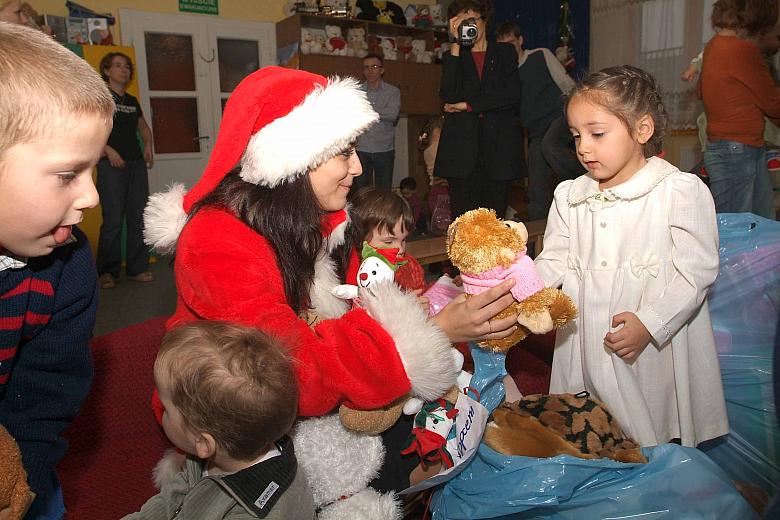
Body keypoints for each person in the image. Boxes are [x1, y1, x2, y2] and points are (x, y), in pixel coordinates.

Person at [143, 66, 519, 492]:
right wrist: (429, 332)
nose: (357, 168)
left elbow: (336, 316)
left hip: (290, 397)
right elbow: (290, 374)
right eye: (344, 153)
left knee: (439, 420)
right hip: (230, 415)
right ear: (296, 157)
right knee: (404, 456)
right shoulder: (219, 240)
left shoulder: (307, 222)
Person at [535, 65, 728, 448]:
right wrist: (520, 290)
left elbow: (696, 272)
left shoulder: (677, 192)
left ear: (642, 130)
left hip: (649, 345)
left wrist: (651, 323)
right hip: (586, 338)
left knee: (651, 429)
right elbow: (554, 259)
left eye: (597, 133)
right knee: (591, 432)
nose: (583, 147)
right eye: (576, 136)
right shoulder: (571, 196)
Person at [0, 22, 113, 519]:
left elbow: (47, 389)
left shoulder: (67, 264)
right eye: (68, 175)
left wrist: (23, 478)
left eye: (92, 172)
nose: (90, 197)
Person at [125, 321, 315, 519]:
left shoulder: (256, 513)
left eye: (166, 408)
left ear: (204, 443)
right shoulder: (206, 457)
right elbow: (171, 499)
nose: (160, 411)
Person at [433, 0, 523, 220]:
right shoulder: (453, 57)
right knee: (463, 223)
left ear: (485, 22)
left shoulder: (504, 53)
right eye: (461, 22)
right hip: (462, 152)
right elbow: (449, 95)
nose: (468, 26)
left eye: (472, 19)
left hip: (499, 151)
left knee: (495, 222)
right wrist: (455, 43)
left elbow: (510, 96)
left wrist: (468, 106)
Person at [698, 0, 780, 219]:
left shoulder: (713, 46)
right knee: (738, 226)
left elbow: (701, 91)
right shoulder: (744, 51)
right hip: (739, 149)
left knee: (756, 223)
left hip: (730, 147)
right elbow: (773, 102)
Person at [495, 21, 584, 221]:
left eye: (511, 42)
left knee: (550, 145)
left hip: (561, 115)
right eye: (503, 45)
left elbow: (566, 83)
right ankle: (539, 234)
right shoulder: (504, 76)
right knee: (536, 185)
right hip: (536, 131)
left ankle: (585, 181)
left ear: (520, 41)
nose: (509, 48)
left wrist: (579, 111)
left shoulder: (540, 55)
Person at [96, 52, 155, 289]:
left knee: (137, 217)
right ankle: (107, 272)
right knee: (112, 221)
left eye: (127, 66)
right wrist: (108, 150)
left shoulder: (131, 101)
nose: (124, 70)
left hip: (135, 166)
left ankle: (137, 268)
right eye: (118, 66)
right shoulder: (100, 99)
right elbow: (88, 131)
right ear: (107, 71)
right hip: (111, 166)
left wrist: (148, 145)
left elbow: (143, 127)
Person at [347, 186, 426, 293]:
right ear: (359, 239)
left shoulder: (409, 265)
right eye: (388, 242)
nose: (400, 249)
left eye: (403, 240)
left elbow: (421, 291)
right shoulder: (354, 274)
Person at [354, 53, 401, 191]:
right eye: (366, 67)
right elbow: (355, 115)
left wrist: (367, 111)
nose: (370, 71)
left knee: (384, 191)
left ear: (382, 70)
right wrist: (381, 112)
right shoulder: (357, 92)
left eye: (374, 66)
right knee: (360, 192)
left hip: (384, 149)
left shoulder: (393, 92)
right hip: (361, 148)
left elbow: (392, 115)